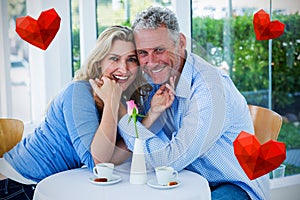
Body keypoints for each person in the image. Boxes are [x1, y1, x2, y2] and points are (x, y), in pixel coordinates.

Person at [117, 6, 269, 200]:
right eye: (143, 53)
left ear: (180, 43)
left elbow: (170, 159)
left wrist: (120, 112)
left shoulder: (210, 88)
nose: (152, 62)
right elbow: (137, 143)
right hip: (187, 180)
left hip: (232, 185)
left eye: (159, 50)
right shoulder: (154, 80)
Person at [0, 25, 139, 198]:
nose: (124, 68)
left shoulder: (122, 99)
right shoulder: (78, 92)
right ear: (99, 62)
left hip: (43, 184)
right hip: (15, 184)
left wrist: (151, 116)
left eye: (131, 59)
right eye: (114, 59)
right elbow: (98, 163)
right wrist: (111, 102)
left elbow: (113, 156)